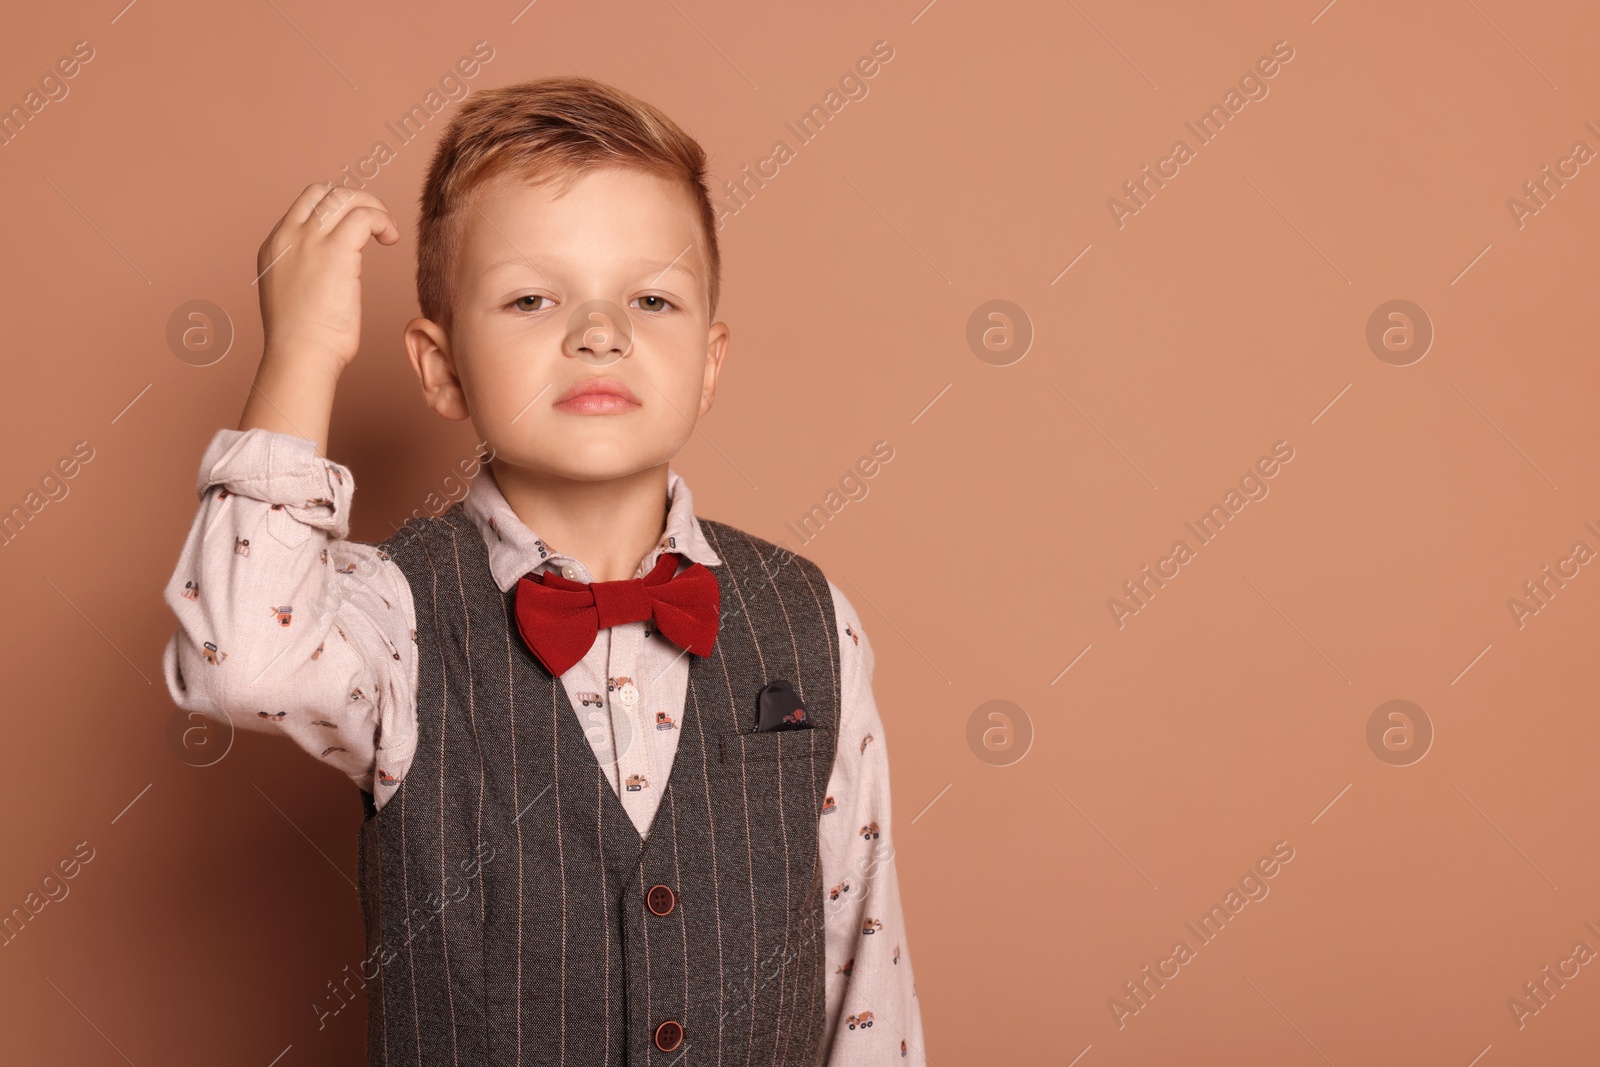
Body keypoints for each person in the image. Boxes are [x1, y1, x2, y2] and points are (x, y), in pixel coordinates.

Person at [161, 75, 924, 1066]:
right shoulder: (392, 613)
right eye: (532, 297)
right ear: (439, 369)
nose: (598, 332)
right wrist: (302, 354)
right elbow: (240, 661)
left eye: (651, 298)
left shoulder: (807, 615)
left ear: (709, 359)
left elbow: (866, 968)